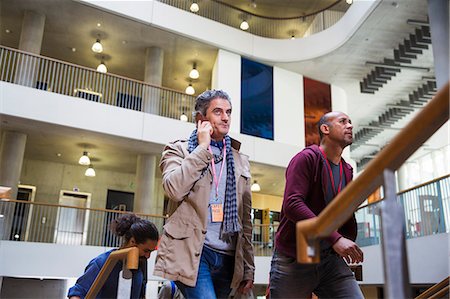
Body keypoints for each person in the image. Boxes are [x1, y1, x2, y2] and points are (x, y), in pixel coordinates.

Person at [154, 89, 255, 299]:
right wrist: (202, 148)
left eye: (229, 112)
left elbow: (245, 219)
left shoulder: (239, 159)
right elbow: (174, 189)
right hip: (194, 252)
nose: (226, 117)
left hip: (229, 256)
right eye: (218, 112)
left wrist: (248, 266)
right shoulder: (178, 150)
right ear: (201, 119)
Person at [269, 111, 364, 298]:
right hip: (296, 256)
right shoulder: (306, 158)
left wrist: (345, 238)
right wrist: (336, 238)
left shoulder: (346, 169)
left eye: (351, 122)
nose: (350, 125)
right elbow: (292, 203)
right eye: (343, 121)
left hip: (329, 258)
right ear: (325, 129)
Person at [68, 214, 159, 299]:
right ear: (132, 241)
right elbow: (77, 292)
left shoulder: (142, 264)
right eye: (146, 251)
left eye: (151, 251)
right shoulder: (102, 262)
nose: (148, 256)